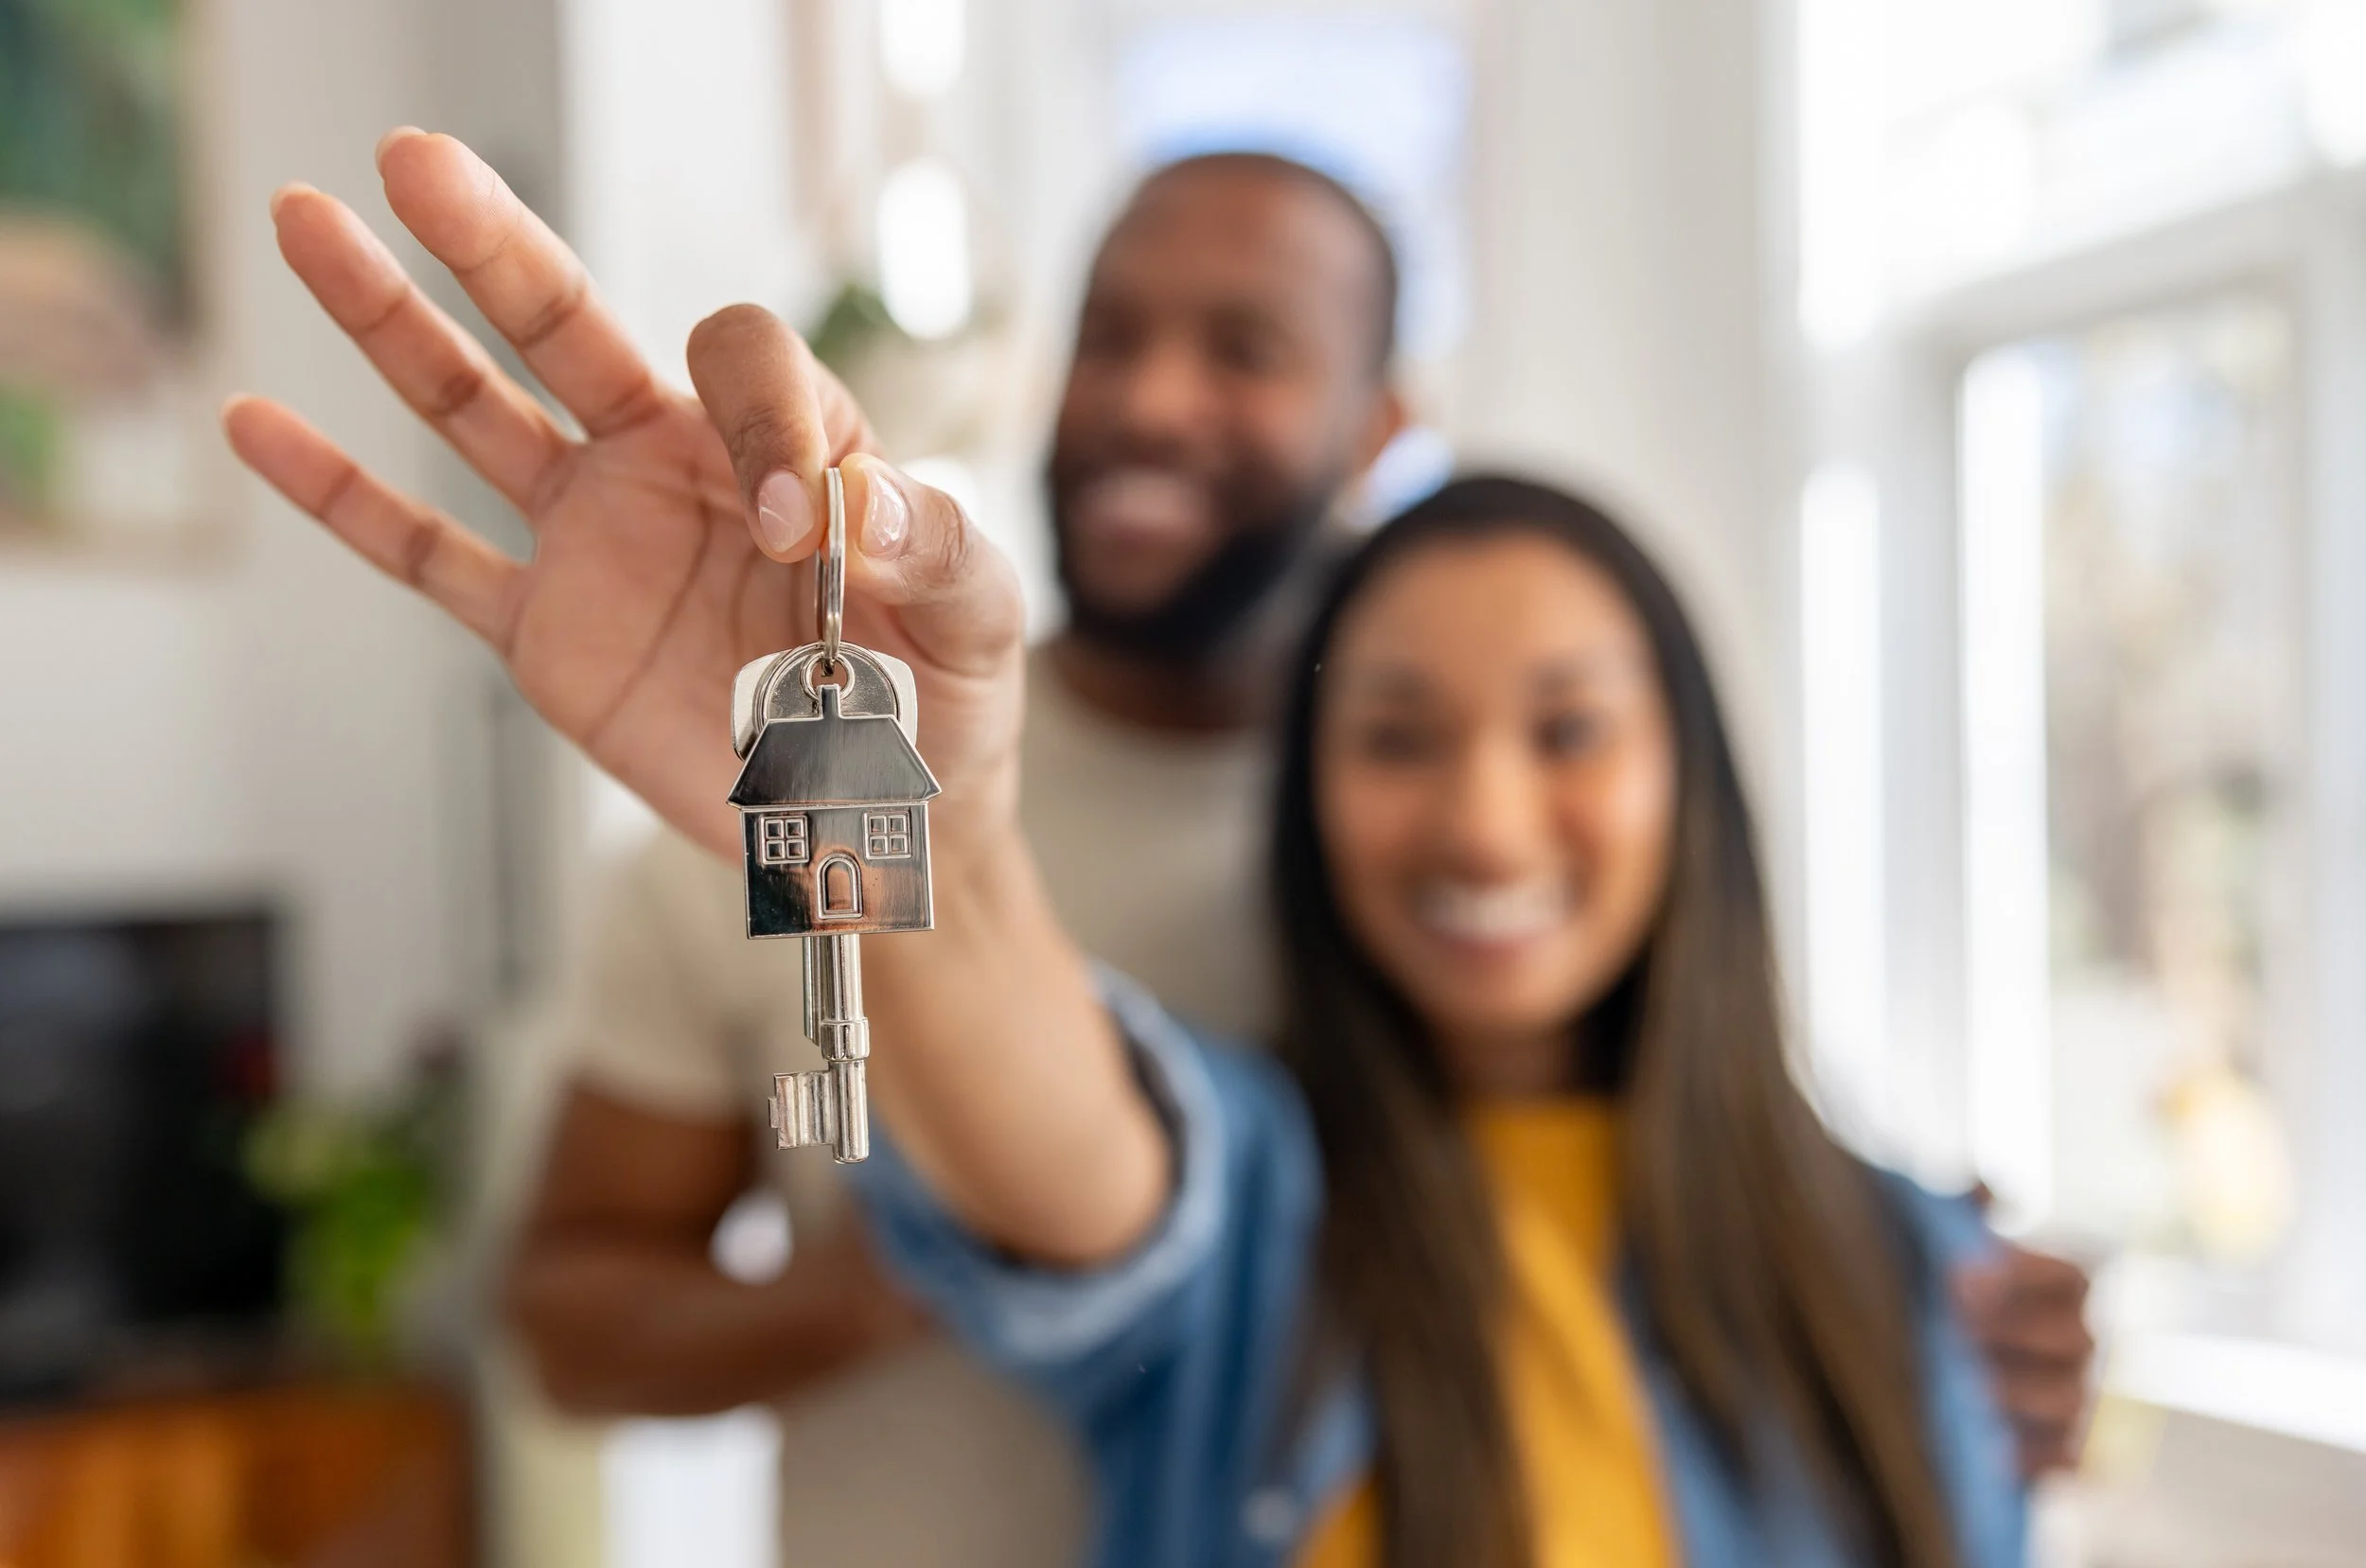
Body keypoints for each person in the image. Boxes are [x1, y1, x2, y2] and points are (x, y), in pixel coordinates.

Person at [219, 130, 2087, 1559]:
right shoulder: (806, 768)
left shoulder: (1432, 856)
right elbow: (590, 1308)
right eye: (1108, 333)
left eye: (1244, 347)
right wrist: (929, 1234)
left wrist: (1927, 1303)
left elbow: (1690, 1118)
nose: (1149, 396)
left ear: (1379, 428)